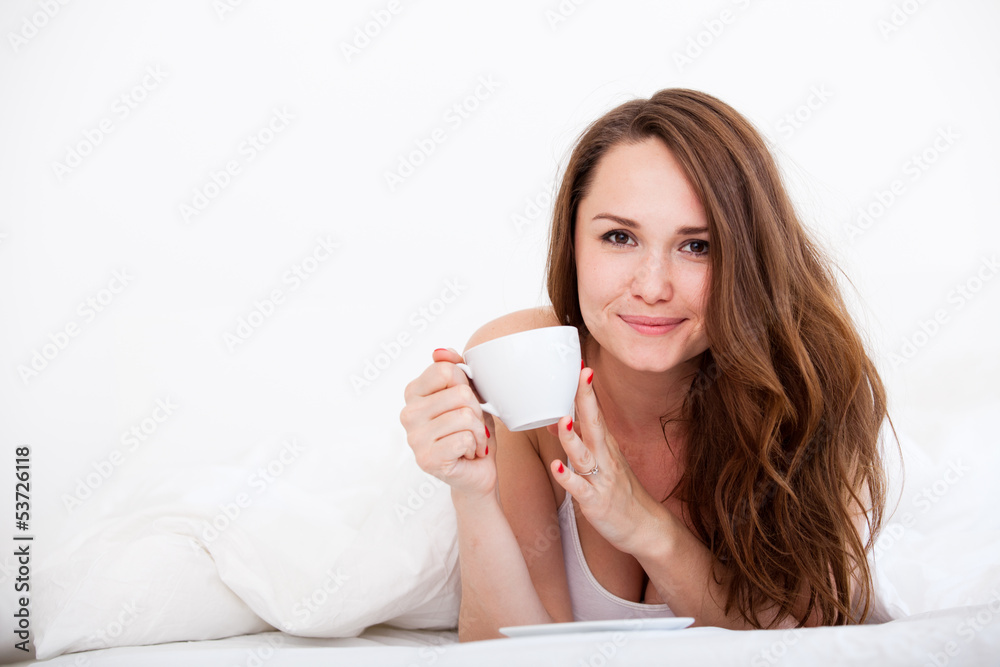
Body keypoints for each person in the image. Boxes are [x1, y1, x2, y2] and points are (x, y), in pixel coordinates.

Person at [399, 88, 890, 640]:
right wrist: (471, 493)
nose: (653, 287)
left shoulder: (812, 381)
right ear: (573, 243)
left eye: (698, 247)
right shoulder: (524, 360)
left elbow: (809, 639)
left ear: (748, 256)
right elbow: (511, 647)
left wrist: (642, 525)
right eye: (619, 237)